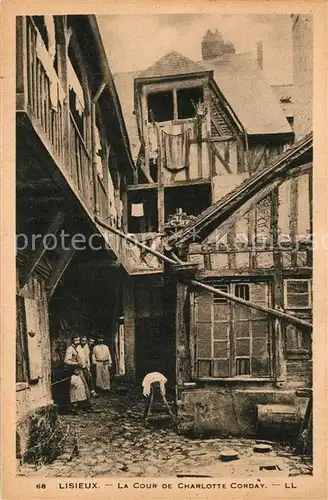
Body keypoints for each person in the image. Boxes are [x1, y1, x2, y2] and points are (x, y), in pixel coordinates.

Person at [64, 335, 91, 411]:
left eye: (78, 340)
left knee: (83, 387)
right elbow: (66, 361)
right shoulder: (70, 349)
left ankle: (84, 406)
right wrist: (76, 363)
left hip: (80, 370)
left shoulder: (78, 349)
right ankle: (75, 407)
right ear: (72, 341)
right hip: (73, 371)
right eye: (76, 340)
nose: (77, 342)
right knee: (76, 388)